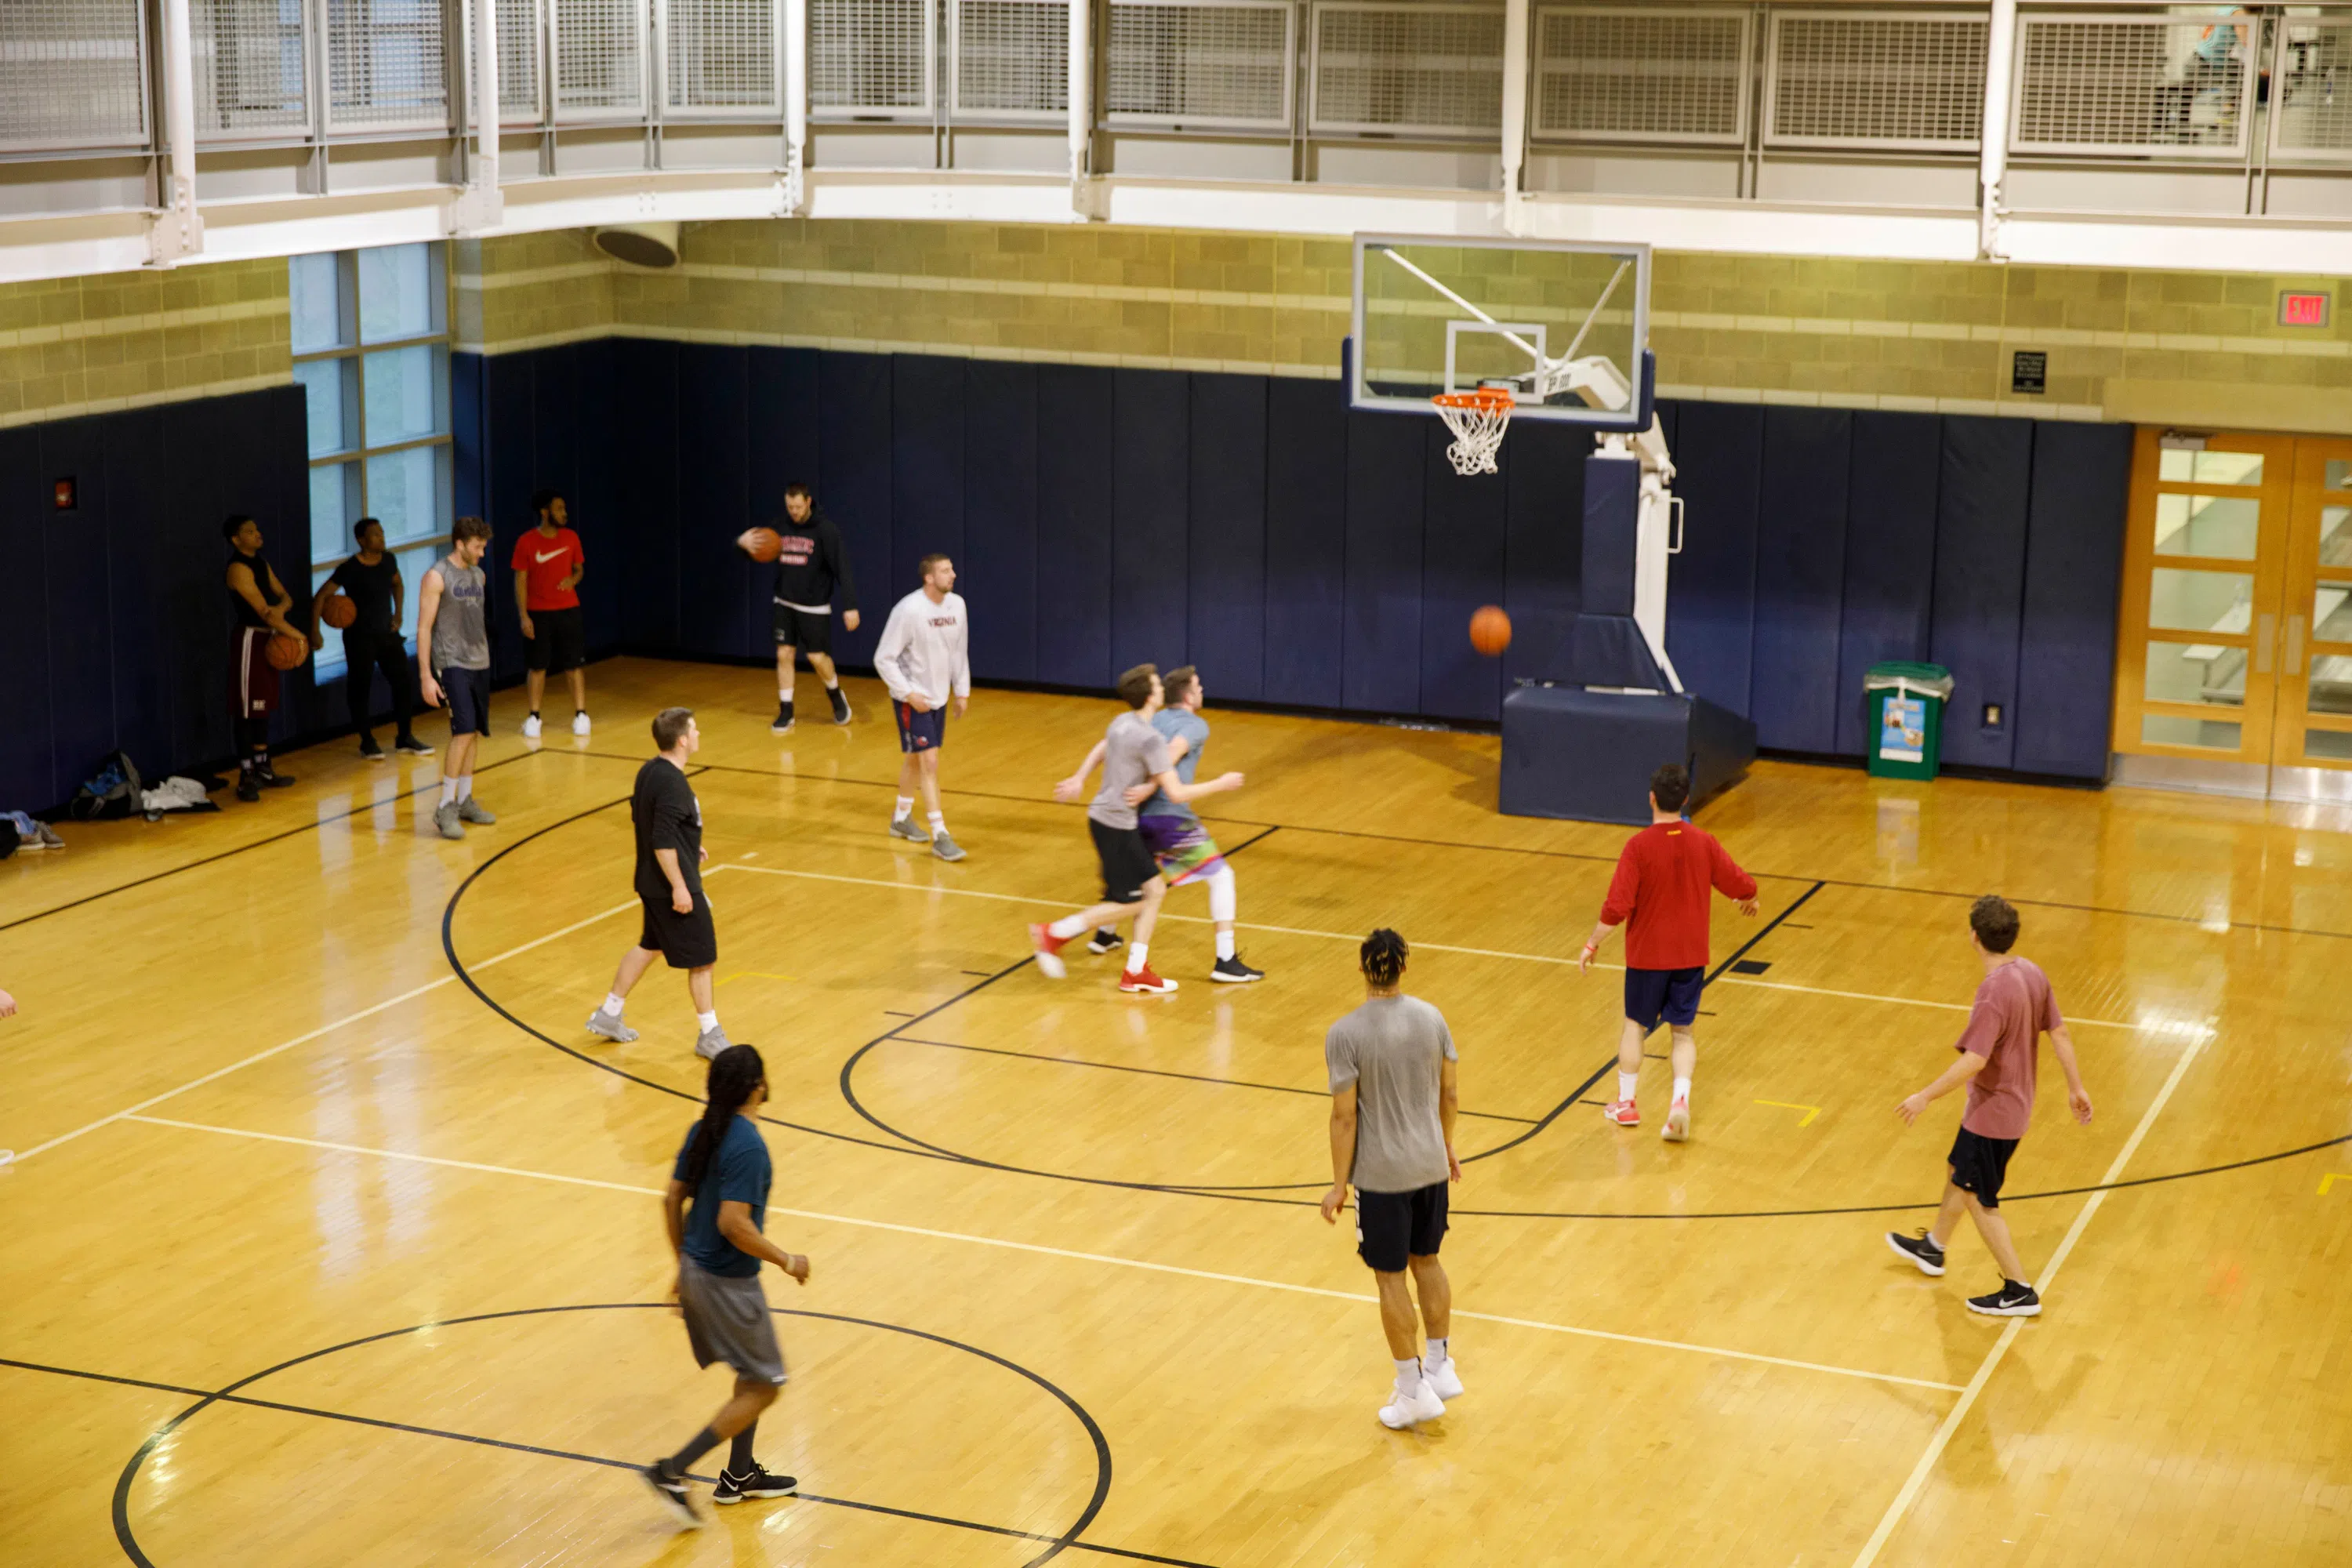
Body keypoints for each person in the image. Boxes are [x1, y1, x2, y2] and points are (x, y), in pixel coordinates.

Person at [1886, 895, 2093, 1319]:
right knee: (1956, 1170)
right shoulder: (2032, 973)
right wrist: (2076, 1087)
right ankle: (1935, 1248)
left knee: (1980, 1198)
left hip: (1996, 1115)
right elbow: (2061, 1032)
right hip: (2003, 1107)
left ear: (1974, 937)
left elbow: (1975, 1060)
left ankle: (2018, 1289)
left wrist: (1923, 1096)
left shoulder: (1993, 993)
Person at [641, 1044, 810, 1529]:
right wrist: (787, 1260)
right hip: (727, 1282)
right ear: (758, 1085)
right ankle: (671, 1471)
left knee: (750, 1375)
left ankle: (739, 1473)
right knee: (766, 1385)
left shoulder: (705, 1129)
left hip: (700, 1270)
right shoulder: (749, 1146)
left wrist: (682, 1264)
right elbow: (735, 1224)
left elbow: (671, 1199)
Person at [1318, 929, 1463, 1431]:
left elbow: (1344, 1119)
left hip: (1382, 1176)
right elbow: (1449, 1094)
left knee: (1389, 1277)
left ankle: (1411, 1390)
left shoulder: (1346, 1033)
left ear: (1362, 970)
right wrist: (1445, 1148)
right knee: (1429, 1259)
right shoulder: (1432, 1018)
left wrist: (1340, 1185)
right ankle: (1441, 1367)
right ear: (1405, 967)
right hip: (1430, 1166)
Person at [1029, 664, 1244, 995]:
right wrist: (1221, 783)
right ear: (1150, 695)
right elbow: (1177, 793)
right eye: (1157, 684)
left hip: (1108, 818)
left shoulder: (1124, 723)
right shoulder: (1152, 738)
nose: (1161, 688)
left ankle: (1134, 970)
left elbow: (1104, 747)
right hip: (1117, 824)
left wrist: (1079, 777)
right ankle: (1055, 933)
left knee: (1153, 891)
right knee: (1136, 902)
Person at [1577, 762, 1758, 1142]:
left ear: (1652, 798)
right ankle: (1679, 1101)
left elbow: (1616, 908)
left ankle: (1627, 1104)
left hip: (1647, 959)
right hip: (1690, 958)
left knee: (1634, 1026)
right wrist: (1749, 897)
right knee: (1683, 1032)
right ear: (1686, 800)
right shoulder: (1703, 842)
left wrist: (1593, 943)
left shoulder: (1638, 847)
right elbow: (1737, 880)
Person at [1080, 665, 1262, 982]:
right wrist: (1156, 786)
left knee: (1139, 880)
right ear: (1189, 695)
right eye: (1199, 686)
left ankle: (1105, 935)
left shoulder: (1155, 719)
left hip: (1137, 817)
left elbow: (1112, 745)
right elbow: (1171, 753)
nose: (1203, 690)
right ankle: (1226, 960)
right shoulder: (1195, 726)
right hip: (1169, 819)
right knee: (1222, 876)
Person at [588, 707, 730, 1060]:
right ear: (682, 740)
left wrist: (690, 845)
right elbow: (662, 840)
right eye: (695, 730)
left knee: (650, 946)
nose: (699, 734)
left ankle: (609, 1014)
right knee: (703, 959)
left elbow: (647, 819)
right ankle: (710, 1034)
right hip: (671, 886)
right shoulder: (674, 782)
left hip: (650, 880)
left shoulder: (650, 770)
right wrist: (680, 887)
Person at [738, 483, 859, 735]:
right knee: (784, 654)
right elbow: (758, 551)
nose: (793, 511)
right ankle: (786, 710)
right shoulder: (780, 527)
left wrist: (851, 606)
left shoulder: (826, 530)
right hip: (784, 602)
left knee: (817, 658)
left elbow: (843, 570)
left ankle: (836, 696)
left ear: (808, 502)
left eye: (798, 506)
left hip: (814, 607)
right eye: (789, 507)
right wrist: (741, 544)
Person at [873, 554, 970, 861]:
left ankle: (901, 818)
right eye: (945, 570)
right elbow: (883, 658)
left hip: (939, 697)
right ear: (929, 577)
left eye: (952, 569)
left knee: (916, 761)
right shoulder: (908, 610)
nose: (952, 574)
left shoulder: (958, 605)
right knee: (929, 762)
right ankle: (941, 834)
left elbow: (959, 650)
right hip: (913, 700)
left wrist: (962, 691)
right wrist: (907, 693)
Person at [314, 517, 431, 760]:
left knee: (403, 682)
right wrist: (315, 631)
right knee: (360, 688)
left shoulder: (388, 560)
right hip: (359, 638)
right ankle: (367, 741)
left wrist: (398, 613)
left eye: (382, 532)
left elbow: (397, 585)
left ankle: (405, 738)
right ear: (361, 540)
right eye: (375, 534)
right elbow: (321, 597)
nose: (382, 537)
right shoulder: (349, 568)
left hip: (387, 634)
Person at [222, 514, 316, 802]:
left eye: (257, 529)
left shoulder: (261, 563)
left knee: (263, 706)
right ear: (236, 540)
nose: (257, 533)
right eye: (250, 531)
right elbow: (264, 611)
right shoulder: (238, 568)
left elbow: (283, 596)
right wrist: (298, 635)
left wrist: (281, 612)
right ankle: (246, 774)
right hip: (250, 638)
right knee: (247, 710)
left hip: (268, 635)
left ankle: (263, 767)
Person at [416, 517, 497, 841]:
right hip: (452, 663)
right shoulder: (437, 576)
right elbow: (423, 628)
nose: (482, 552)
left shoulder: (479, 575)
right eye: (478, 547)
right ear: (460, 544)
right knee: (462, 732)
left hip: (480, 661)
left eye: (484, 546)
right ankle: (445, 806)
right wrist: (425, 675)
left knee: (473, 733)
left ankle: (464, 800)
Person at [512, 488, 589, 739]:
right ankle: (534, 717)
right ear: (545, 512)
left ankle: (581, 715)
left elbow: (580, 569)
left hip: (568, 610)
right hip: (539, 613)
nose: (564, 513)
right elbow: (520, 581)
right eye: (559, 509)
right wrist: (524, 616)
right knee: (537, 666)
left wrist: (574, 579)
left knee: (573, 664)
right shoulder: (526, 542)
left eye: (564, 509)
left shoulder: (571, 538)